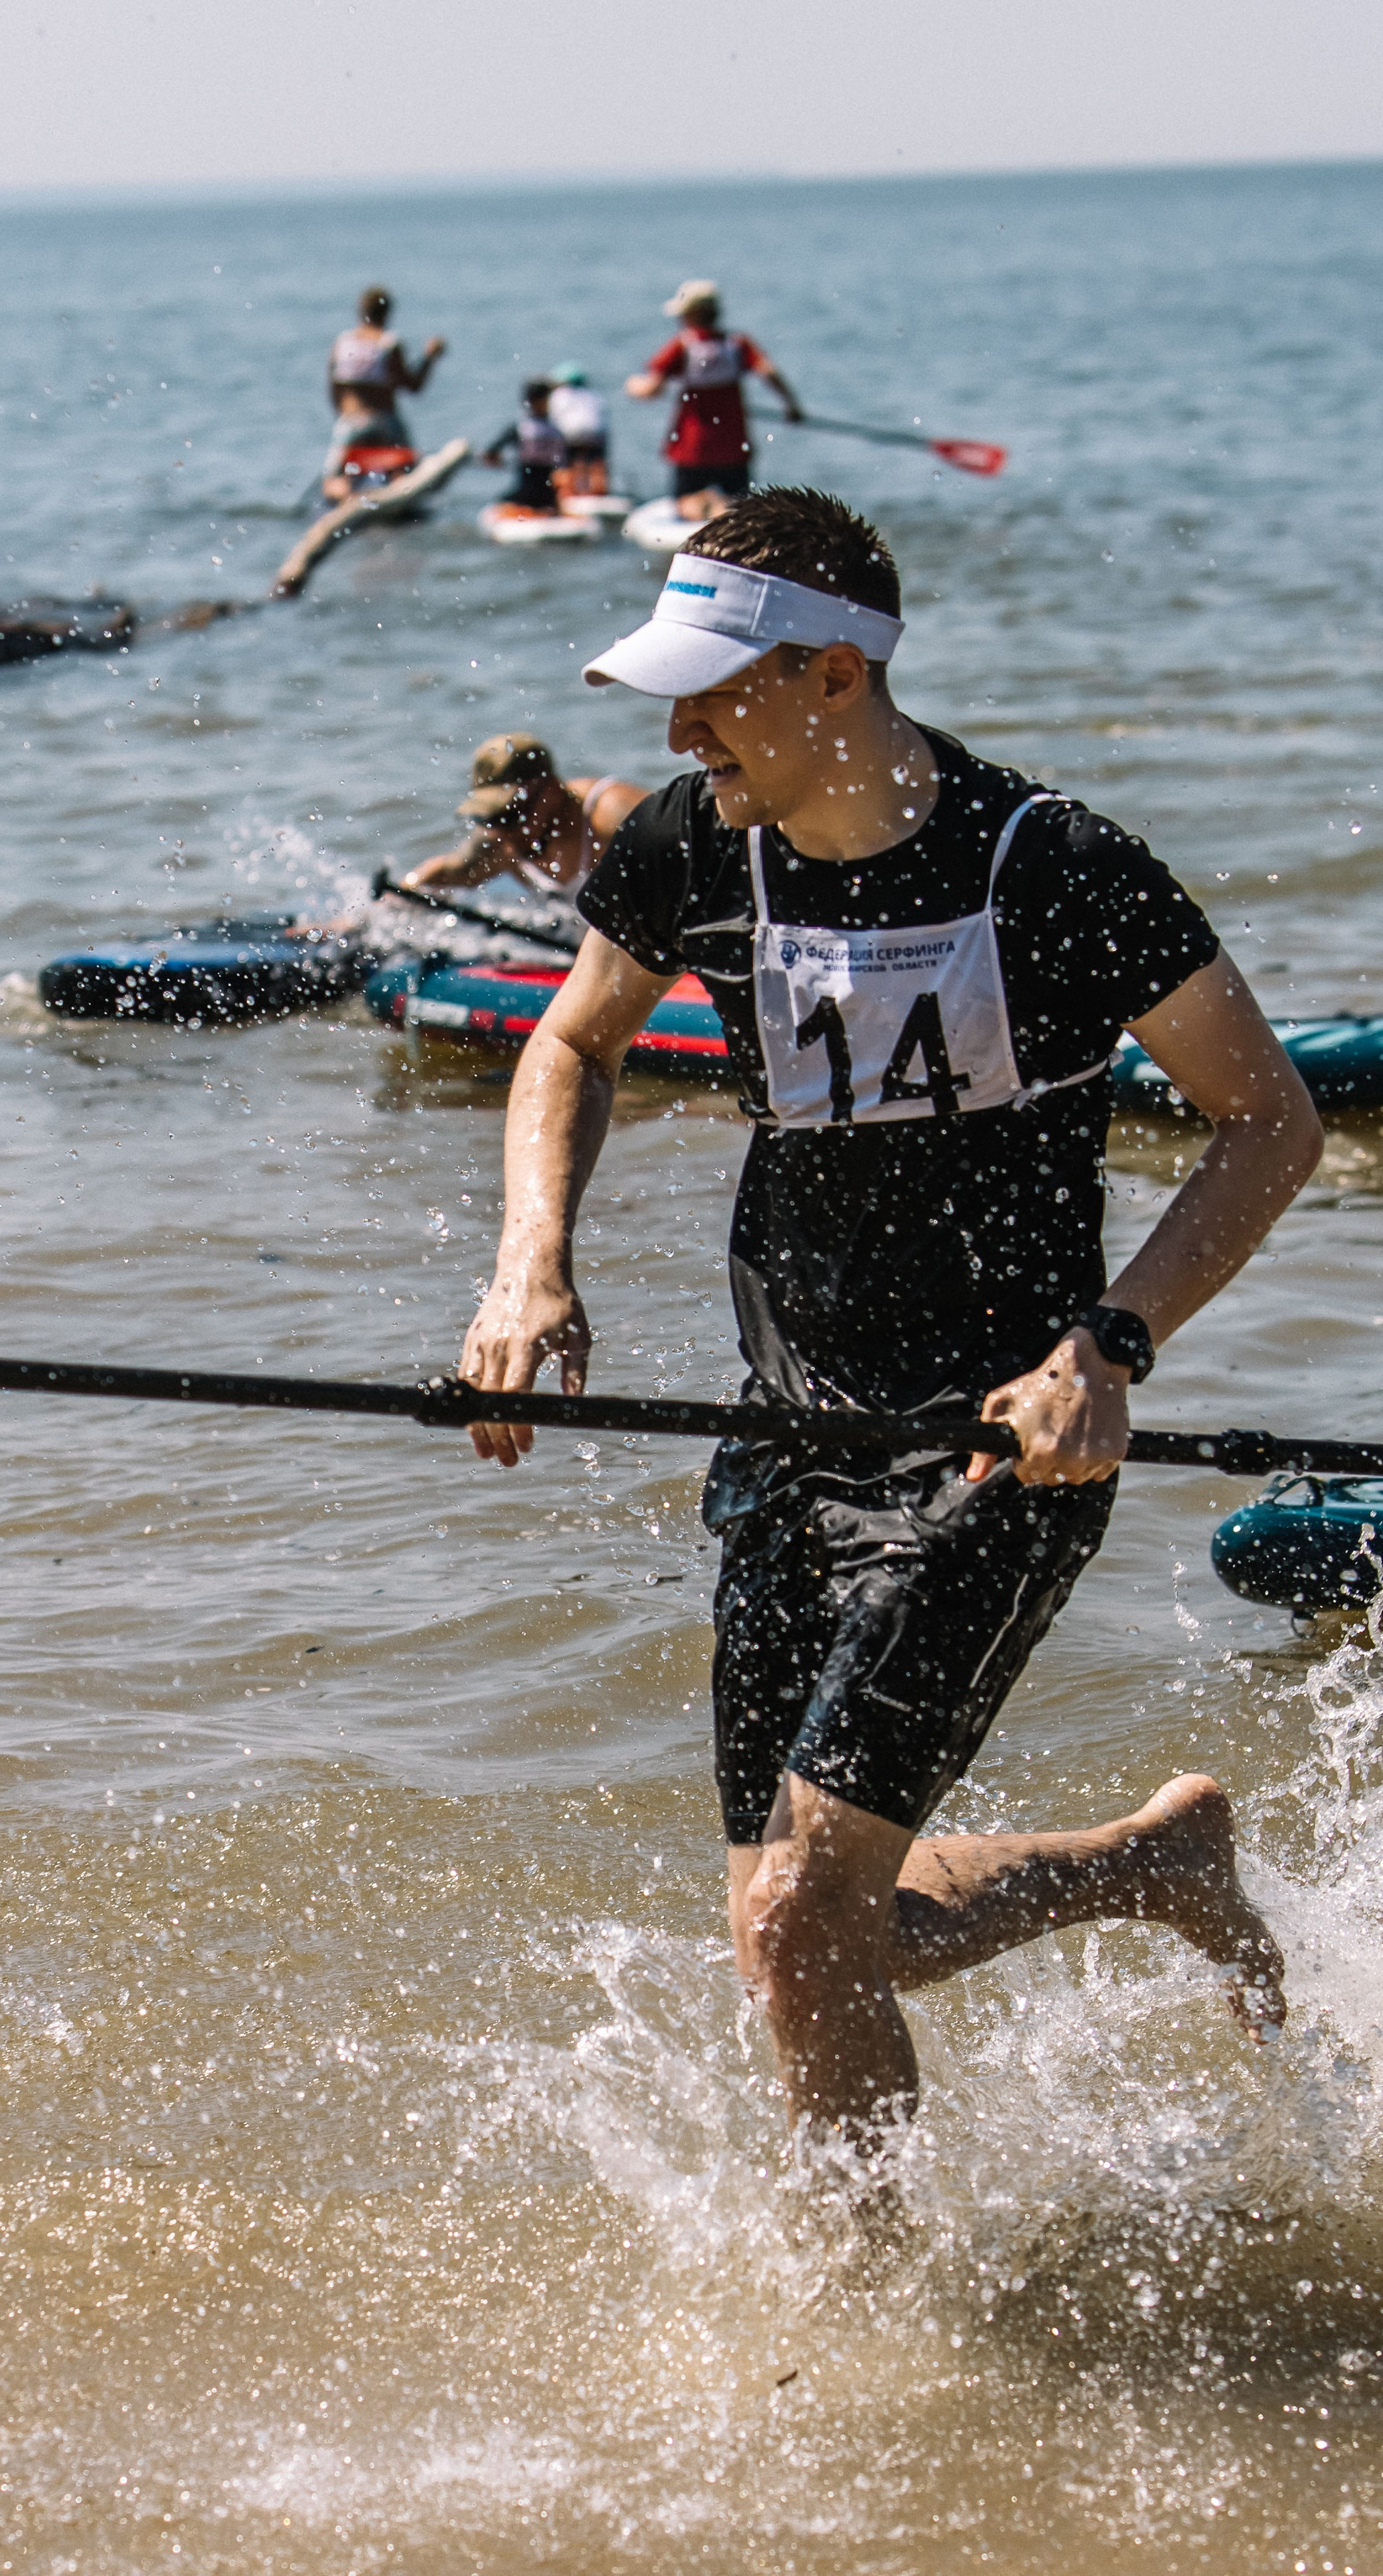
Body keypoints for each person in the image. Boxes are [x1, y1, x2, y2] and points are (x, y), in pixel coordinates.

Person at [455, 484, 1320, 2153]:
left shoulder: (1051, 865)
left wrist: (1109, 1344)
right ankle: (1148, 1862)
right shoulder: (690, 846)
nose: (682, 722)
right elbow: (570, 1043)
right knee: (793, 1932)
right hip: (787, 1431)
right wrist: (528, 1263)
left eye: (716, 685)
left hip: (1003, 1450)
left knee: (795, 1924)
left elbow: (1265, 1120)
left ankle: (859, 2331)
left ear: (836, 675)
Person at [626, 280, 804, 522]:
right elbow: (769, 372)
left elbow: (652, 390)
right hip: (734, 447)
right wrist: (791, 406)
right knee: (738, 506)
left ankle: (701, 517)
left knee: (684, 504)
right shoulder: (737, 344)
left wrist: (632, 386)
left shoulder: (683, 345)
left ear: (691, 314)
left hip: (692, 448)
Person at [402, 734, 647, 902]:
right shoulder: (501, 839)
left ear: (552, 789)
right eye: (489, 818)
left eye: (511, 814)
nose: (505, 833)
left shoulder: (611, 815)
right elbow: (440, 874)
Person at [323, 285, 447, 501]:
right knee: (404, 473)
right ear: (388, 313)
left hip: (351, 423)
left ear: (361, 311)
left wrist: (345, 418)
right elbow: (413, 387)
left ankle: (346, 497)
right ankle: (399, 493)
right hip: (384, 424)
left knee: (333, 480)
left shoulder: (342, 342)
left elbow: (334, 390)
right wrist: (430, 357)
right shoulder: (389, 343)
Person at [482, 380, 567, 514]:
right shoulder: (557, 432)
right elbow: (564, 465)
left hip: (525, 495)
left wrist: (498, 461)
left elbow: (490, 455)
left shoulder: (520, 429)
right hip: (549, 497)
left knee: (500, 502)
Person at [547, 365, 612, 498]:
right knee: (596, 462)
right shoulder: (594, 395)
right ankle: (599, 493)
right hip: (597, 433)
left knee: (569, 463)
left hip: (571, 433)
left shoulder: (559, 395)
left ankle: (570, 493)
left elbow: (552, 420)